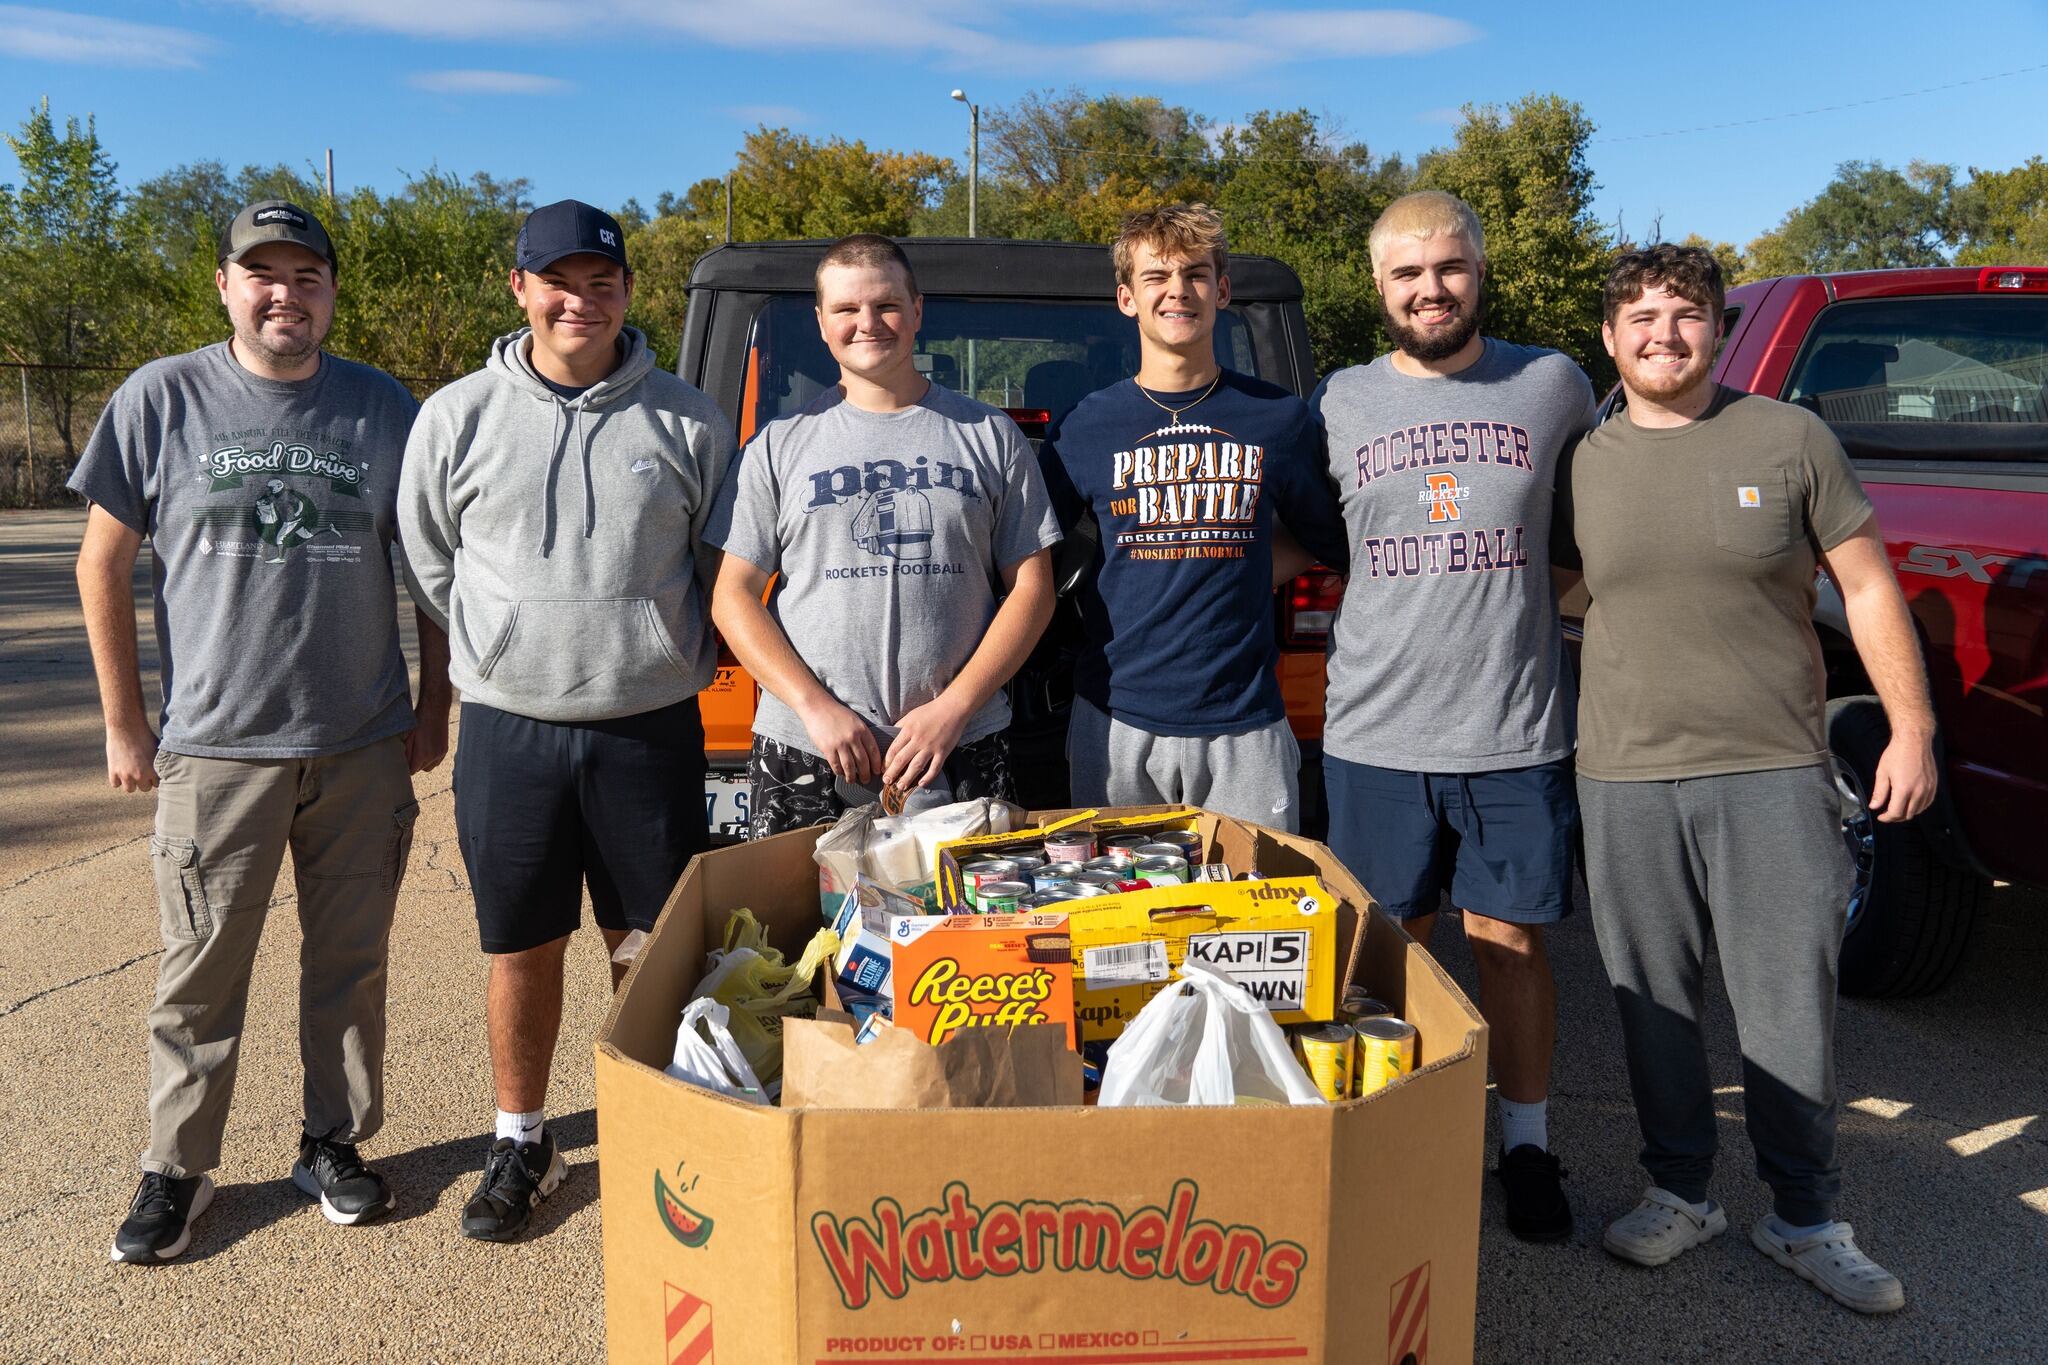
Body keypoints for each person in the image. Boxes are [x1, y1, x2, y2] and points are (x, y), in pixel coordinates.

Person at [1555, 243, 1932, 1312]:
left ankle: (1804, 1218)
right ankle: (1678, 1192)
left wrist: (1909, 728)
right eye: (1638, 318)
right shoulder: (1580, 459)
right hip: (1622, 774)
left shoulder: (1788, 437)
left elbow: (1864, 587)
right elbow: (1557, 594)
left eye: (1682, 315)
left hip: (1771, 766)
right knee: (1649, 1003)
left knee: (1784, 1007)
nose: (1661, 335)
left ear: (1716, 328)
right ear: (1608, 338)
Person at [72, 199, 448, 1263]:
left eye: (306, 276)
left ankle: (332, 1142)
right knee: (200, 969)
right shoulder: (162, 397)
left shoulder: (382, 408)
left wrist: (435, 704)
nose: (285, 294)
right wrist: (125, 723)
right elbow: (101, 564)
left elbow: (425, 571)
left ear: (332, 290)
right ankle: (176, 1171)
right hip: (217, 747)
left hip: (360, 741)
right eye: (262, 275)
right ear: (227, 287)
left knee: (350, 960)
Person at [399, 199, 736, 1242]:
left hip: (646, 722)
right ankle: (520, 1137)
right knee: (521, 942)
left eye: (601, 282)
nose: (578, 301)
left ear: (627, 290)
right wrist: (497, 645)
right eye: (558, 282)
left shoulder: (686, 419)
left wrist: (651, 643)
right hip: (511, 725)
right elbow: (427, 558)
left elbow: (717, 564)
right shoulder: (455, 416)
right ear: (520, 289)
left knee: (646, 943)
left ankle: (655, 1124)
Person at [1313, 190, 1593, 1242]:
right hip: (1374, 730)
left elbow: (1588, 524)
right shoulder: (1337, 401)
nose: (1429, 289)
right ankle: (1391, 1137)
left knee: (1510, 947)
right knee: (1384, 950)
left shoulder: (1552, 384)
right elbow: (1299, 538)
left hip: (1511, 728)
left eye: (1448, 268)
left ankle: (1523, 1146)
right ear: (1376, 286)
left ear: (1478, 271)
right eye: (1406, 273)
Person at [709, 234, 1059, 835]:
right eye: (847, 309)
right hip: (809, 746)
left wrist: (953, 709)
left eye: (886, 305)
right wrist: (816, 709)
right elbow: (733, 595)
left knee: (966, 924)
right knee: (800, 927)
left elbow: (1033, 588)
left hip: (958, 741)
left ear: (917, 311)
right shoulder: (776, 445)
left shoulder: (989, 434)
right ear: (822, 322)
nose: (867, 323)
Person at [1037, 203, 1346, 831]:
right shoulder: (1084, 426)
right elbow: (1030, 559)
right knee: (1116, 919)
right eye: (1157, 277)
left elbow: (1331, 539)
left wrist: (1236, 566)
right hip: (1115, 719)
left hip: (1245, 723)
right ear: (1127, 298)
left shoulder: (1279, 419)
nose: (1178, 291)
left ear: (1222, 291)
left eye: (1196, 275)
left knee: (1251, 914)